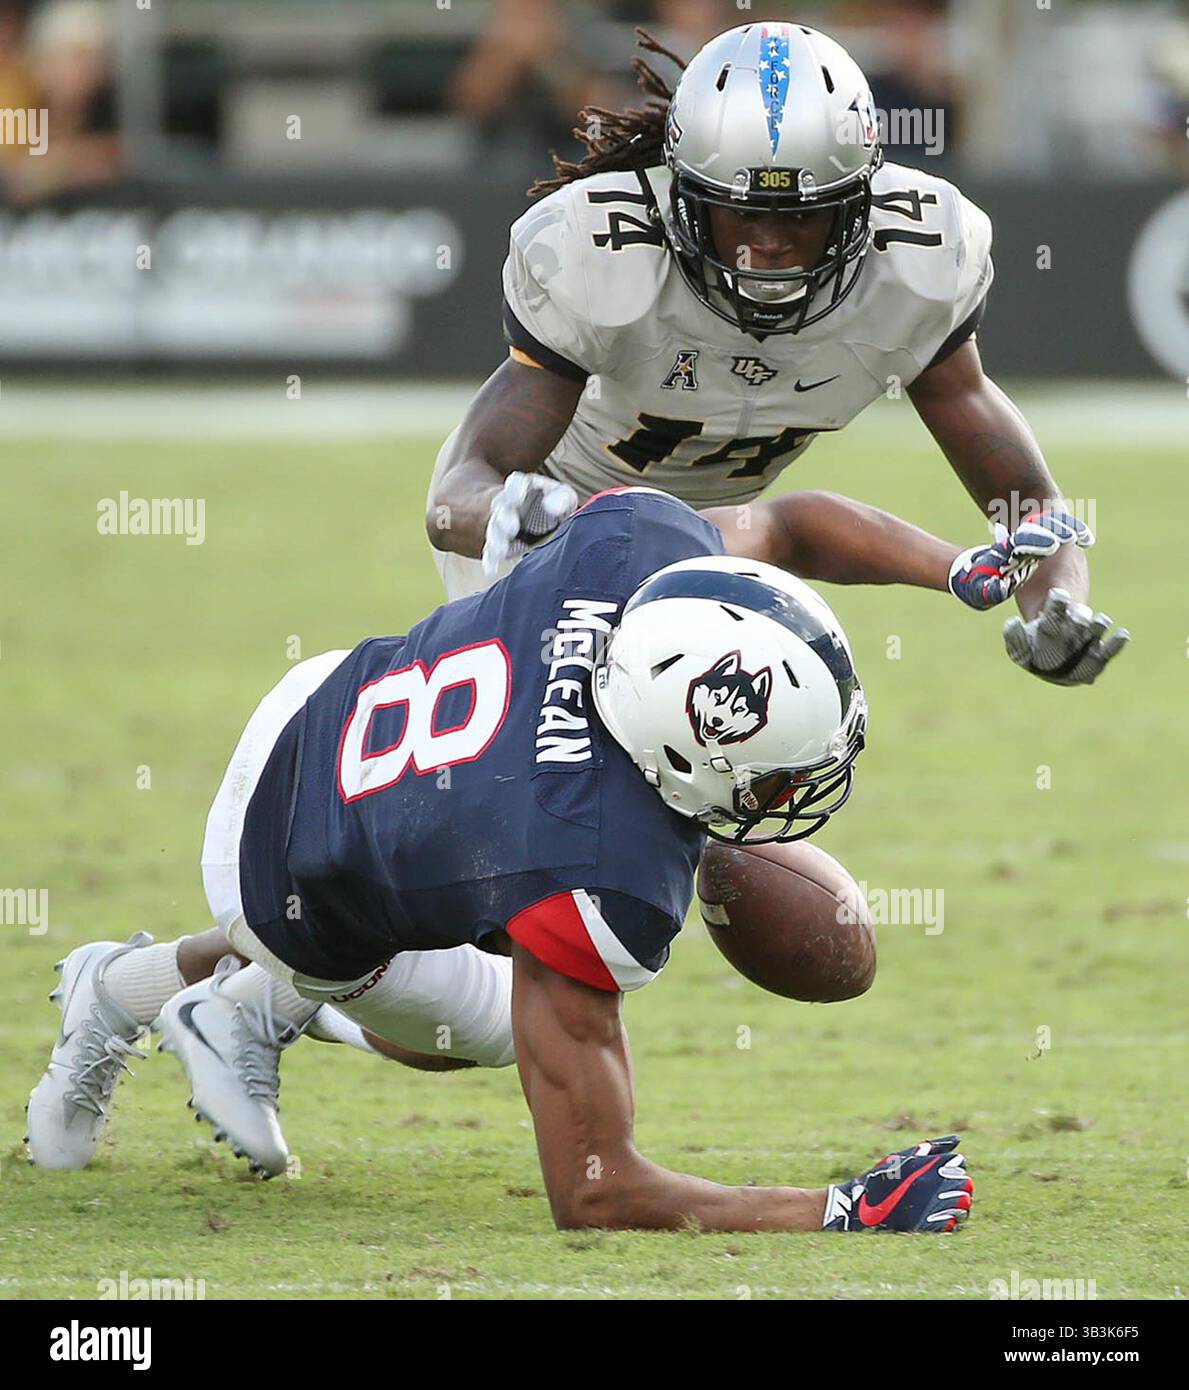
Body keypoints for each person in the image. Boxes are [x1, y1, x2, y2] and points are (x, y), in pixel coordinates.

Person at [26, 481, 1085, 1230]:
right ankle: (179, 993)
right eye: (768, 778)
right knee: (482, 1030)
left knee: (475, 958)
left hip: (323, 698)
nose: (785, 802)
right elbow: (592, 1187)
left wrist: (958, 569)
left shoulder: (640, 553)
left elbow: (782, 524)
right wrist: (843, 1209)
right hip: (284, 870)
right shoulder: (602, 872)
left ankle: (205, 996)